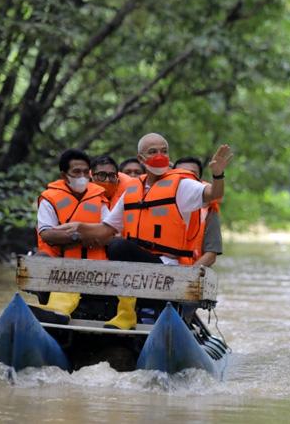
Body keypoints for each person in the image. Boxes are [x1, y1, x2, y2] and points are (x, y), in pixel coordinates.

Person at [58, 133, 232, 329]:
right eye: (153, 151)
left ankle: (128, 314)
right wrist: (79, 228)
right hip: (137, 269)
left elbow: (214, 193)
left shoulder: (181, 184)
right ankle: (120, 313)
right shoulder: (132, 189)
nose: (160, 156)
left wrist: (218, 175)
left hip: (166, 269)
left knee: (118, 246)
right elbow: (106, 229)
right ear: (141, 158)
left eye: (164, 151)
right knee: (113, 247)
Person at [35, 148, 109, 324]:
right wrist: (83, 237)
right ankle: (55, 313)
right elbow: (47, 234)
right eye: (76, 172)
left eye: (85, 172)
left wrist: (72, 236)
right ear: (64, 175)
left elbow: (109, 233)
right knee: (40, 260)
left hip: (96, 266)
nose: (82, 176)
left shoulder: (99, 197)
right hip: (59, 264)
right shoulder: (49, 198)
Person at [173, 156, 223, 268]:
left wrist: (188, 274)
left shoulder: (209, 210)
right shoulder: (158, 203)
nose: (186, 178)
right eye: (181, 174)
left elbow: (211, 255)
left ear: (199, 181)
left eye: (192, 174)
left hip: (192, 270)